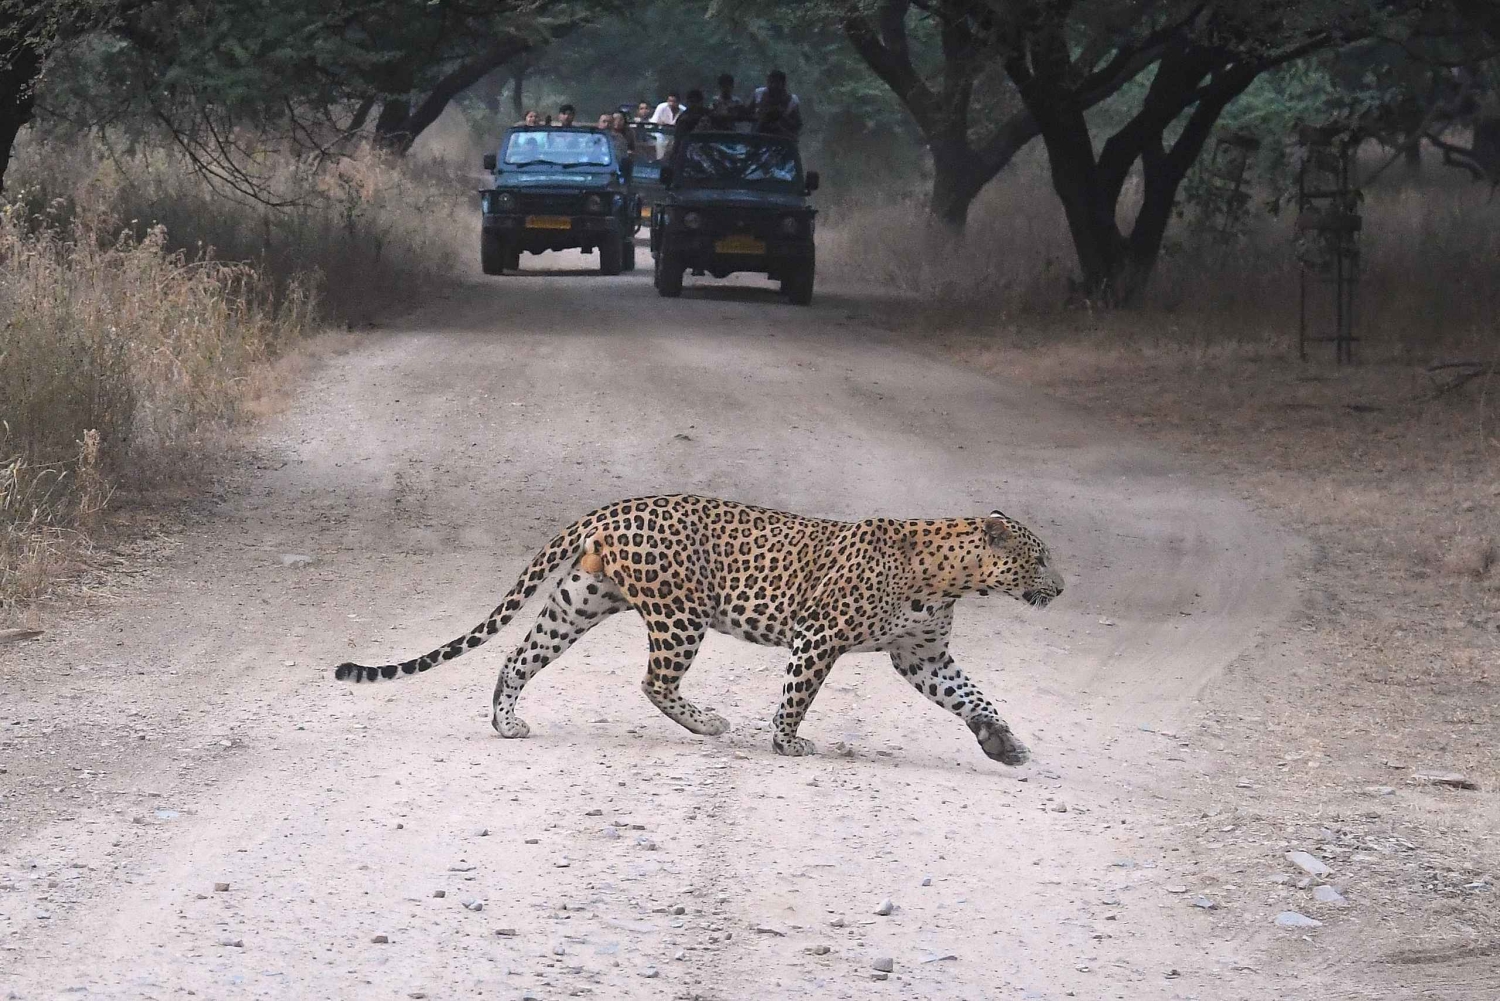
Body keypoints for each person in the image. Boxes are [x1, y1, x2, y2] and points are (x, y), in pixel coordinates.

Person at [752, 69, 802, 137]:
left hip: (781, 136)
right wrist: (761, 114)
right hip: (758, 134)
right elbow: (748, 113)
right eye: (770, 82)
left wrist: (782, 116)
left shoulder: (792, 100)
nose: (773, 85)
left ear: (783, 84)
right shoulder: (759, 93)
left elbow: (798, 125)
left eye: (776, 83)